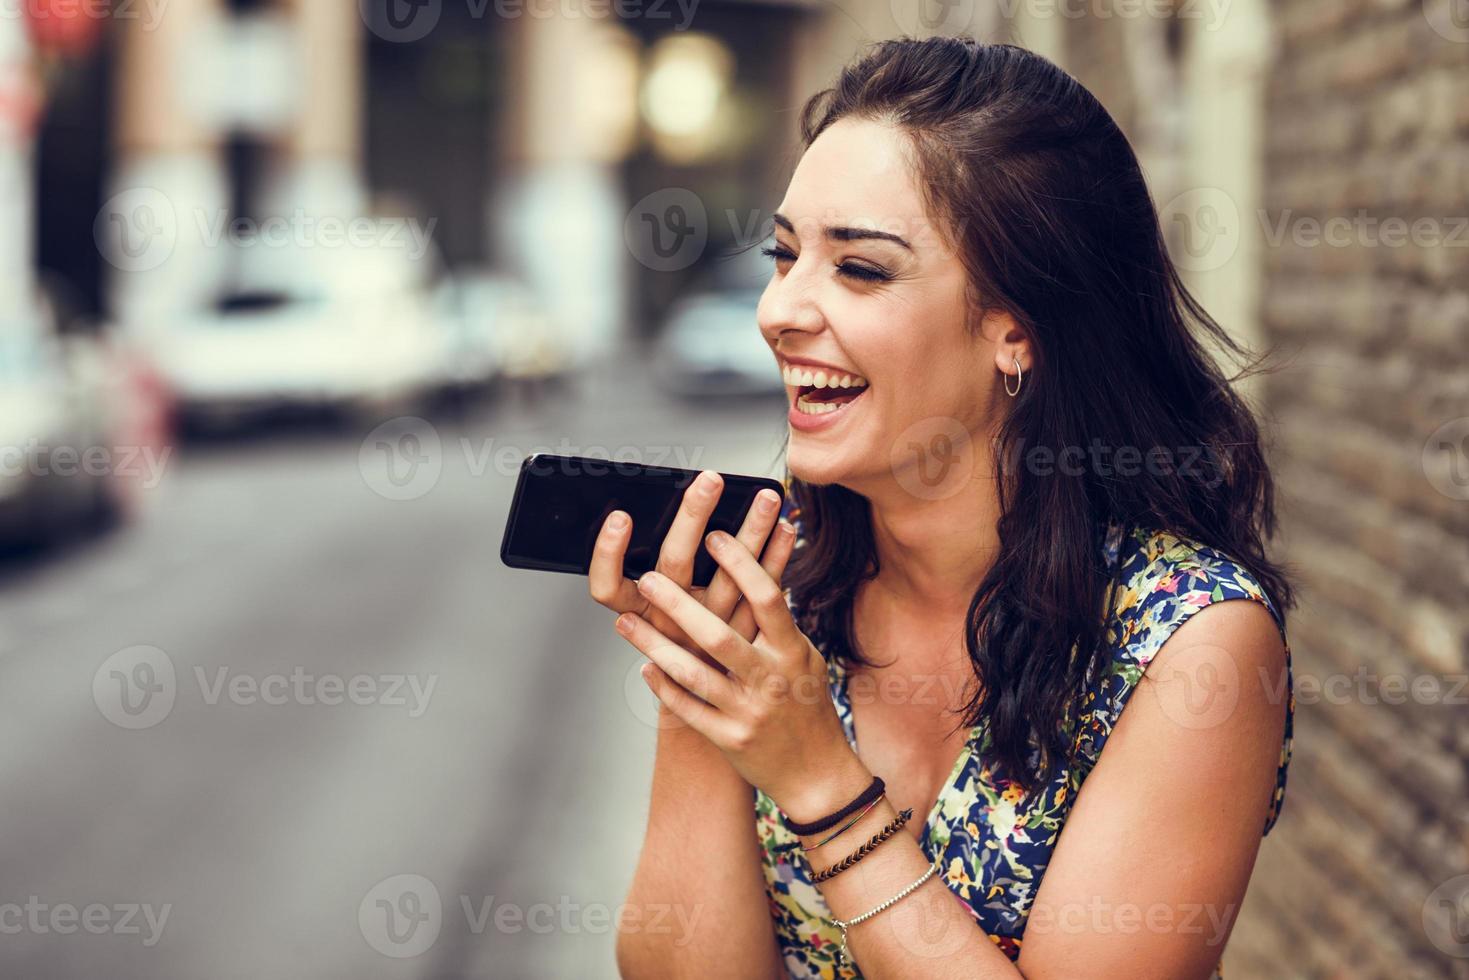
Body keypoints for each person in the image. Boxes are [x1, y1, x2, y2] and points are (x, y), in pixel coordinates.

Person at [592, 36, 1294, 980]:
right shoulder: (783, 592)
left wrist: (818, 780)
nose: (778, 311)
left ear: (1014, 332)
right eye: (785, 255)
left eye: (860, 269)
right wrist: (701, 685)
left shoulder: (1188, 643)